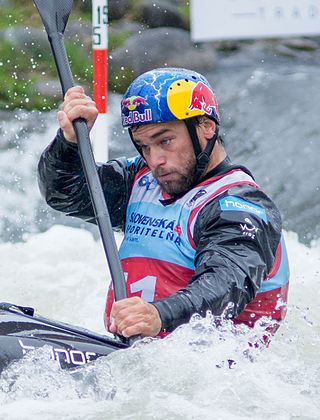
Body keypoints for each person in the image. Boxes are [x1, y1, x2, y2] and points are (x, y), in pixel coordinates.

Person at [38, 67, 289, 340]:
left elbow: (226, 285)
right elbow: (64, 193)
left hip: (210, 373)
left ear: (206, 127)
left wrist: (159, 315)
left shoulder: (241, 206)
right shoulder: (140, 179)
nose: (155, 160)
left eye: (165, 141)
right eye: (144, 146)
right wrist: (70, 142)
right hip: (134, 357)